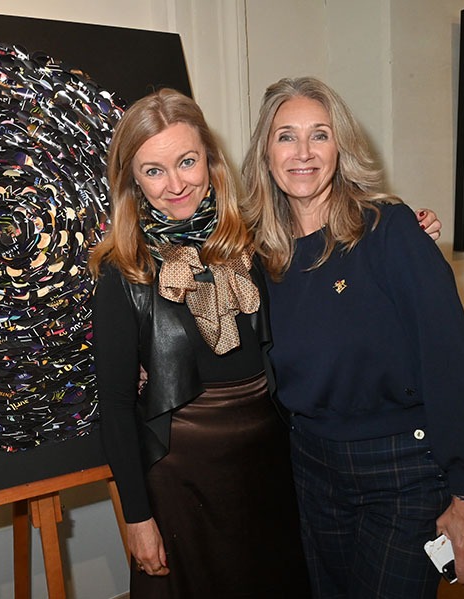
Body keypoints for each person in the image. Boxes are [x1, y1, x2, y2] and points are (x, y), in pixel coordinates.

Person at [241, 76, 464, 598]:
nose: (303, 153)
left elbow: (451, 361)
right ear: (265, 153)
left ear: (342, 146)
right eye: (286, 136)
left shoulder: (390, 231)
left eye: (320, 134)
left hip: (402, 473)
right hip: (310, 469)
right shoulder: (257, 253)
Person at [88, 88, 310, 598]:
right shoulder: (125, 273)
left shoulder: (255, 242)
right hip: (181, 479)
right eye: (154, 170)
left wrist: (399, 224)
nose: (176, 185)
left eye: (187, 161)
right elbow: (117, 407)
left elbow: (329, 243)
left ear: (210, 160)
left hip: (272, 468)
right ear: (132, 182)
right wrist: (137, 519)